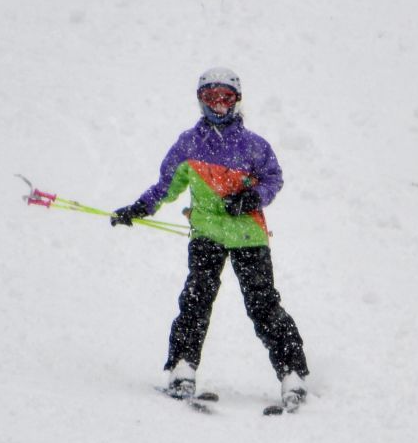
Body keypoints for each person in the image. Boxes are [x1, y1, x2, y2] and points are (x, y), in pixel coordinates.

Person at [110, 67, 310, 410]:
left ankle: (293, 374)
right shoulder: (189, 143)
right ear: (201, 102)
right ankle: (181, 370)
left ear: (237, 101)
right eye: (211, 98)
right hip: (207, 237)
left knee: (263, 305)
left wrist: (252, 198)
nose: (219, 106)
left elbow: (273, 179)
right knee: (196, 300)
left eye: (225, 98)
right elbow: (166, 186)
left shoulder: (254, 146)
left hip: (248, 237)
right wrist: (139, 208)